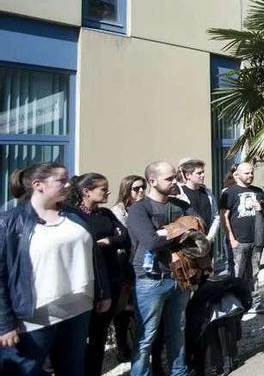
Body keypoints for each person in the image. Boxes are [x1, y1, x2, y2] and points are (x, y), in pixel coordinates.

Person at [0, 162, 111, 376]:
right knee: (24, 371)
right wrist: (4, 323)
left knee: (72, 369)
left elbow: (94, 255)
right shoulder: (10, 223)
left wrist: (103, 291)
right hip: (35, 317)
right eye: (61, 179)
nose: (69, 184)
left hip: (78, 310)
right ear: (38, 184)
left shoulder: (75, 216)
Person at [128, 161, 195, 376]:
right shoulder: (139, 209)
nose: (174, 181)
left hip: (179, 276)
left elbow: (196, 233)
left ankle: (179, 372)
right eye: (169, 178)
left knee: (177, 331)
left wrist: (166, 233)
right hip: (151, 278)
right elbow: (151, 242)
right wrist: (179, 232)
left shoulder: (180, 206)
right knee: (147, 336)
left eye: (175, 176)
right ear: (151, 181)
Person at [68, 173, 131, 376]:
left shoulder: (105, 214)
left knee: (99, 332)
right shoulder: (73, 216)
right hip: (86, 281)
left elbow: (123, 235)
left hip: (110, 279)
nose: (108, 192)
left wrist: (109, 242)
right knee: (79, 335)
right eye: (103, 189)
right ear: (86, 191)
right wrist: (104, 241)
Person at [219, 162, 264, 313]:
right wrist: (231, 238)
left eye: (251, 173)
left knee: (254, 273)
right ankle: (236, 303)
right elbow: (224, 216)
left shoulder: (258, 191)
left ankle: (255, 302)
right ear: (238, 174)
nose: (250, 176)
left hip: (256, 240)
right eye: (246, 173)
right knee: (237, 274)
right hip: (239, 241)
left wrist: (262, 208)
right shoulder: (229, 192)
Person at [109, 174, 145, 362]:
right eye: (136, 188)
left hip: (141, 261)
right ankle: (122, 346)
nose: (140, 191)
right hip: (124, 263)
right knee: (123, 309)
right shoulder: (118, 211)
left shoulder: (144, 207)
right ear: (127, 190)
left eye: (142, 188)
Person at [174, 159, 223, 273]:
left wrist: (209, 238)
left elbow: (216, 216)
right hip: (188, 245)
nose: (203, 175)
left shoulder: (207, 192)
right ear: (188, 175)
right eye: (199, 173)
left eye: (203, 172)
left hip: (207, 242)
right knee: (190, 276)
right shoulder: (179, 194)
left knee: (205, 276)